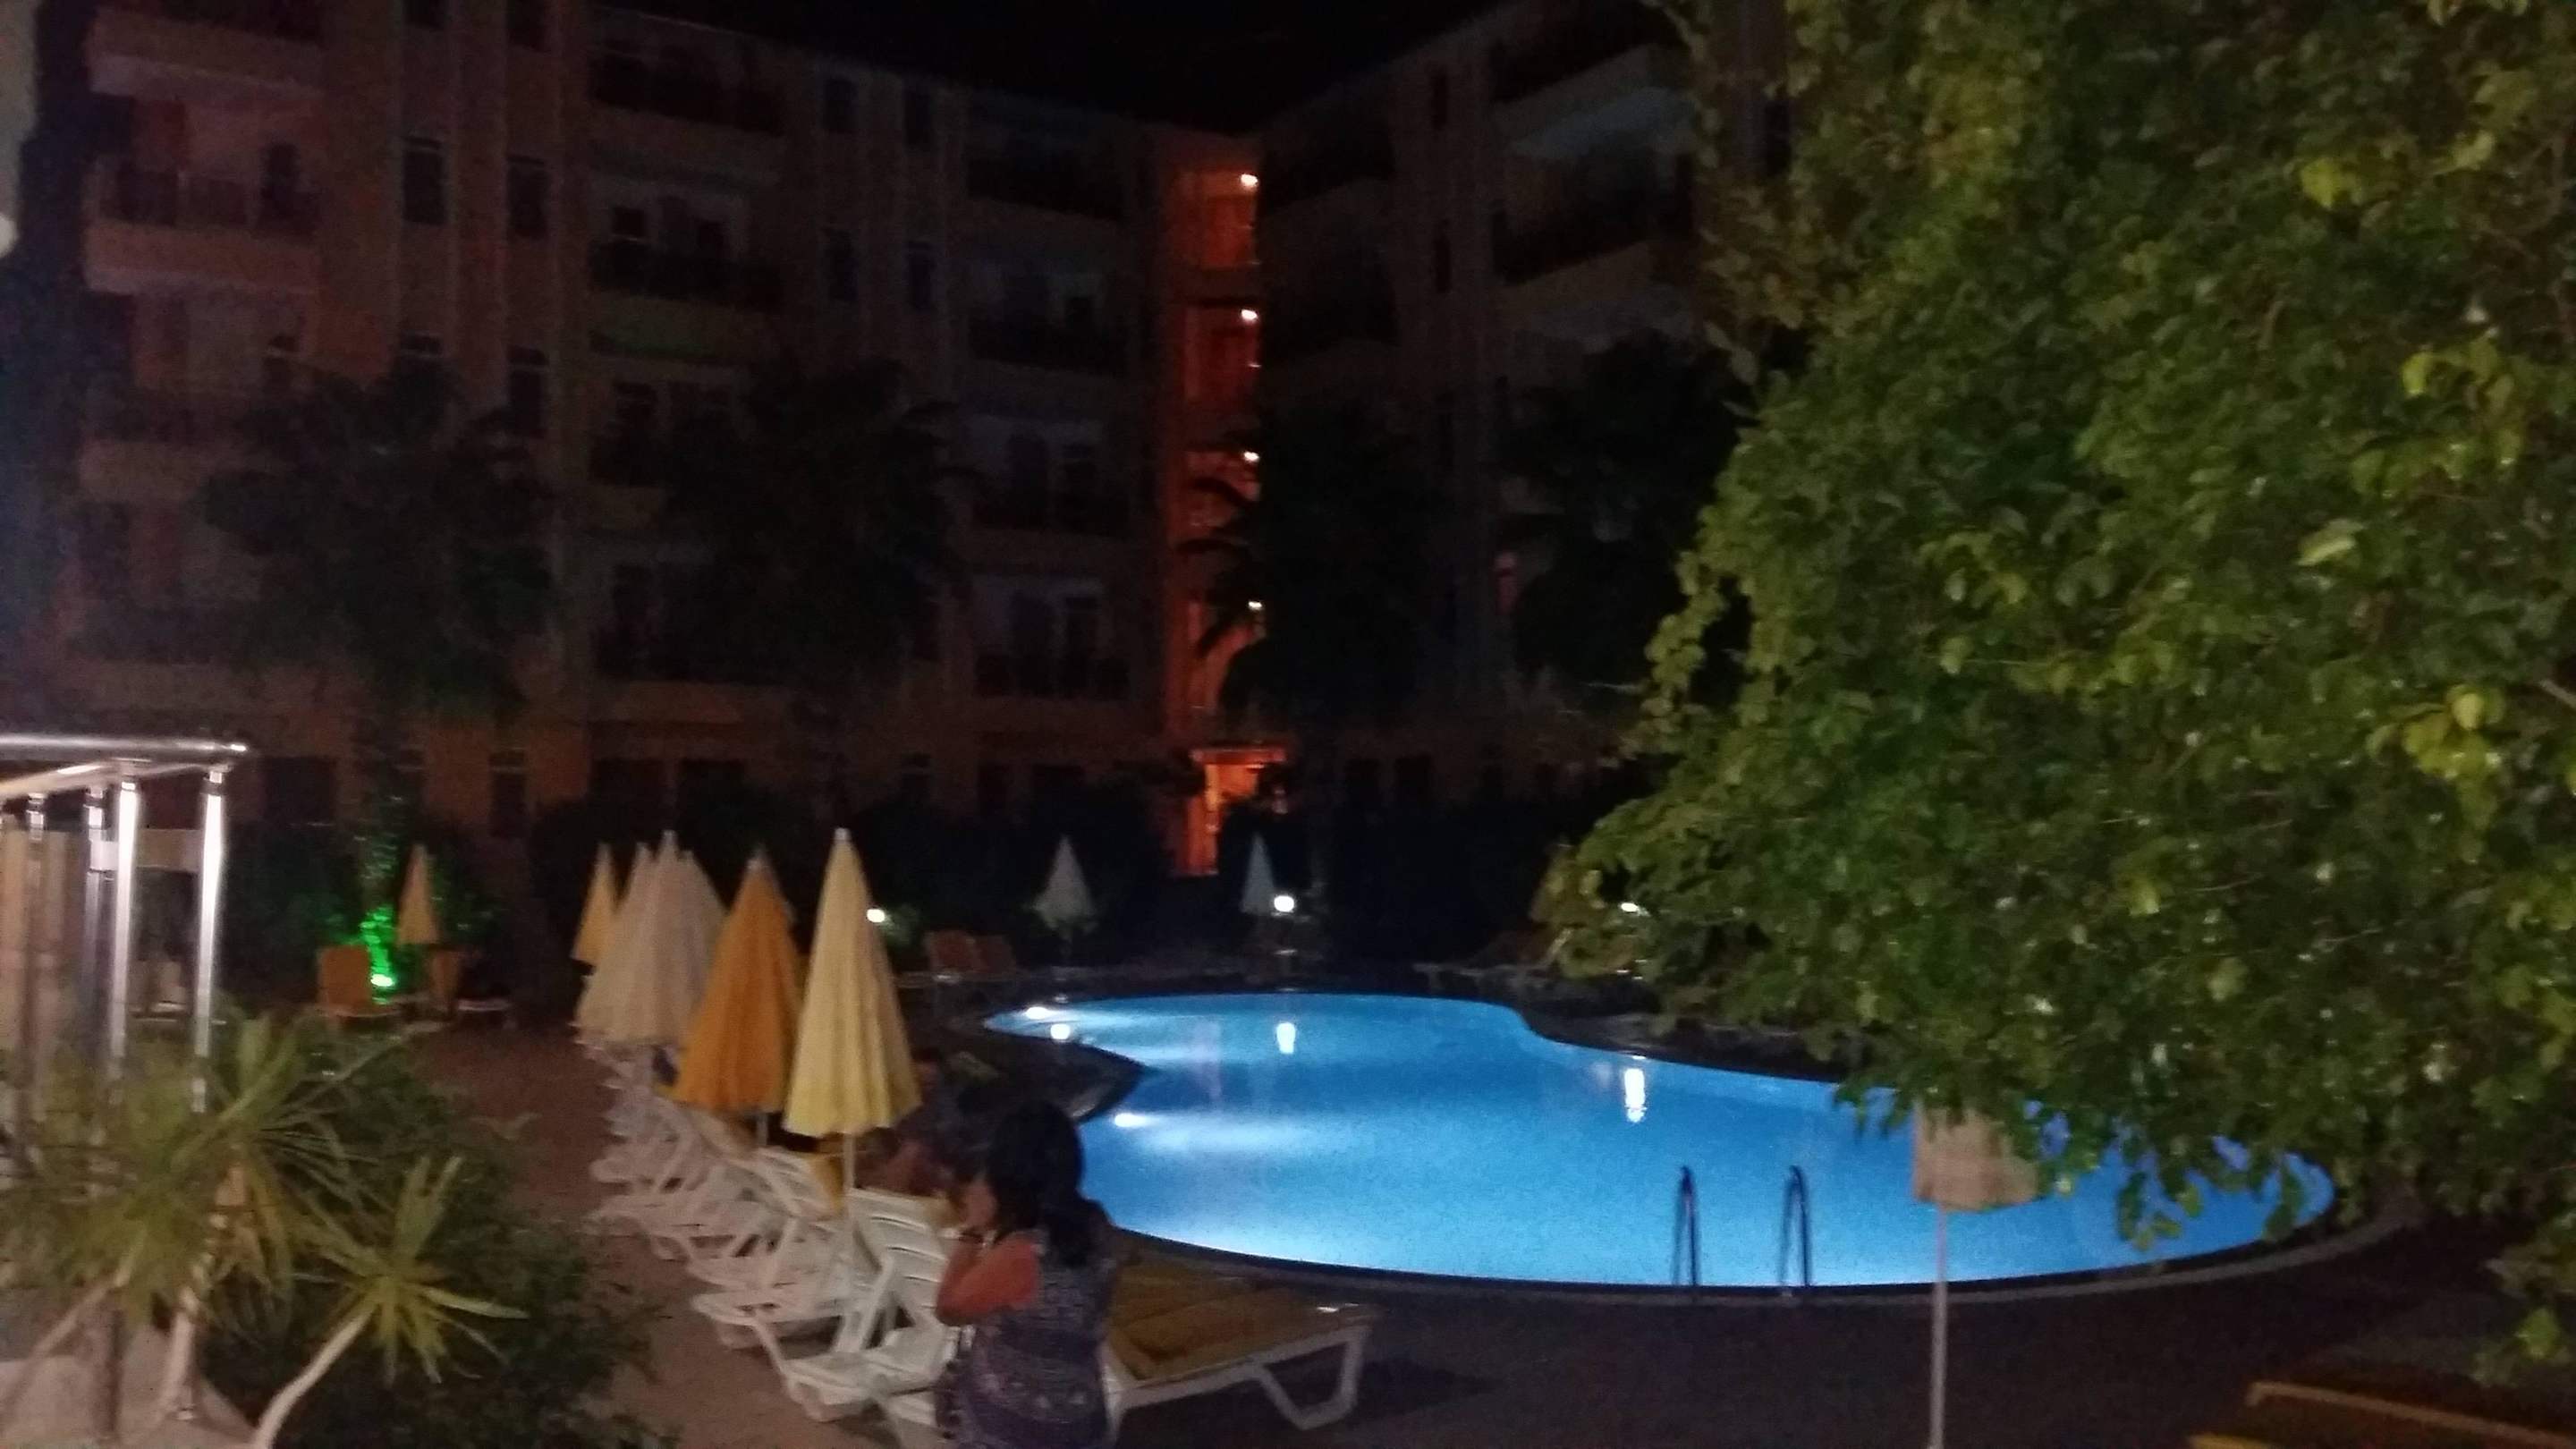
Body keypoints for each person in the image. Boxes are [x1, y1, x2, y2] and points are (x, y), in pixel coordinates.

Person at [936, 1100, 1119, 1449]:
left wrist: (972, 1230)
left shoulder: (1021, 1252)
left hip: (1011, 1427)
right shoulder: (1098, 1225)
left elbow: (949, 1310)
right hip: (1081, 1417)